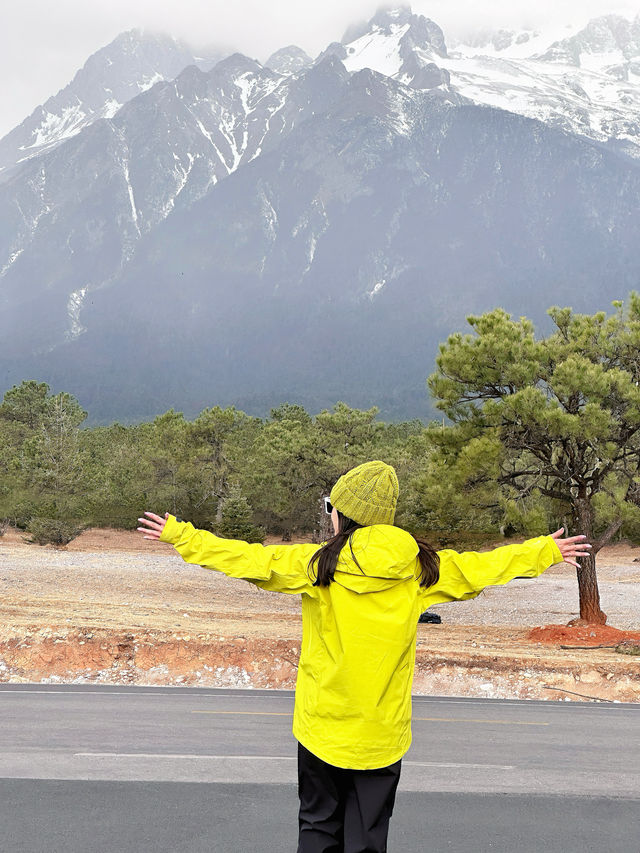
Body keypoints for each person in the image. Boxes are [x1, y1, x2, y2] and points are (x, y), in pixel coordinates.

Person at [137, 460, 590, 853]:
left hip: (322, 729)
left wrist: (181, 535)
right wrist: (544, 551)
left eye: (331, 508)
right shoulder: (421, 570)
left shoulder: (317, 566)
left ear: (343, 516)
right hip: (381, 736)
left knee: (317, 829)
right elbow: (484, 567)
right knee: (368, 838)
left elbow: (247, 559)